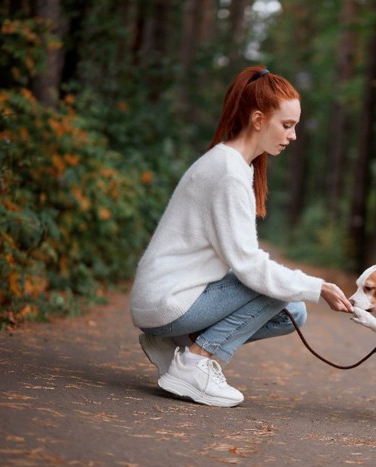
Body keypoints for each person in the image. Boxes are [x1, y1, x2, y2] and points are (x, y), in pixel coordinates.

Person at [130, 65, 354, 408]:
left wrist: (305, 290)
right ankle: (193, 362)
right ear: (259, 119)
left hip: (163, 299)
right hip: (167, 300)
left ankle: (178, 344)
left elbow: (241, 261)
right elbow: (250, 267)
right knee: (277, 290)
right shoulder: (229, 172)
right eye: (287, 125)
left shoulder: (230, 163)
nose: (293, 136)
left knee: (294, 308)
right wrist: (317, 286)